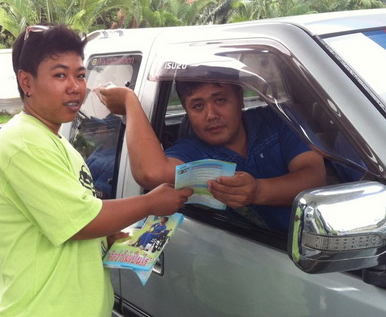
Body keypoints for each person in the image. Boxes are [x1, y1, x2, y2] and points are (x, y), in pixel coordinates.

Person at [0, 24, 192, 317]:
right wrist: (151, 202)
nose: (75, 87)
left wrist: (109, 238)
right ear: (26, 82)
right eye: (60, 75)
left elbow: (73, 218)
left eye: (80, 75)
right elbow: (81, 221)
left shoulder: (55, 142)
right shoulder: (22, 142)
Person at [97, 80, 327, 232]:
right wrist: (130, 101)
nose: (211, 115)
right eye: (198, 106)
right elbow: (150, 174)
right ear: (187, 112)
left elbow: (315, 176)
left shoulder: (275, 121)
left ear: (240, 98)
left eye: (220, 100)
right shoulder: (193, 150)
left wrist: (258, 191)